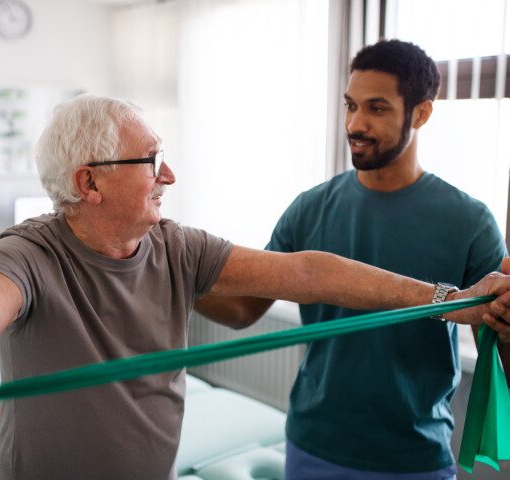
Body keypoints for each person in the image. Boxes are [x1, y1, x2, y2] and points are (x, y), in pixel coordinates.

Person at [0, 94, 510, 480]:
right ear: (90, 183)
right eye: (151, 160)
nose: (169, 174)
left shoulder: (176, 245)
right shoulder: (30, 253)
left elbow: (306, 271)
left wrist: (448, 302)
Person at [195, 39, 510, 480]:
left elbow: (499, 355)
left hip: (413, 457)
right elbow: (242, 310)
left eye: (376, 108)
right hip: (313, 445)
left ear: (421, 113)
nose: (355, 123)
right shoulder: (310, 207)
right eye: (350, 105)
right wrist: (175, 274)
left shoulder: (469, 222)